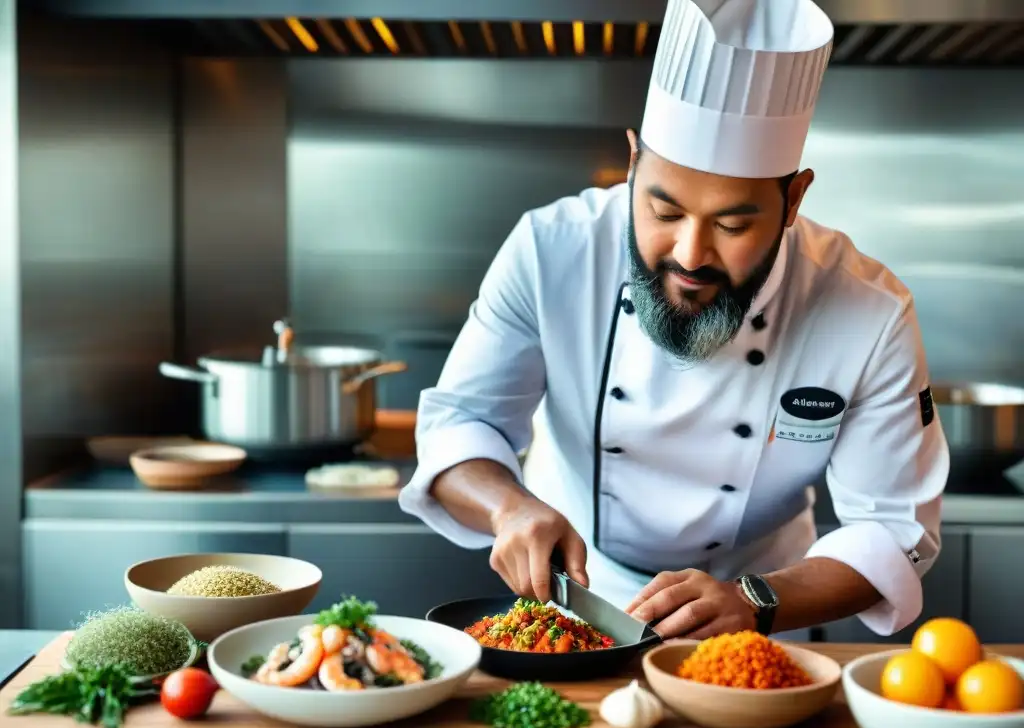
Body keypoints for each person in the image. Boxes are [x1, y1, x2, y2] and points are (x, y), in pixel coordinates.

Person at [397, 0, 949, 642]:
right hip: (579, 609)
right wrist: (510, 508)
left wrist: (757, 601)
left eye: (733, 225)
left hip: (761, 617)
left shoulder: (867, 310)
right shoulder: (553, 250)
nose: (690, 254)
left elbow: (893, 530)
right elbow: (461, 423)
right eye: (663, 211)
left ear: (794, 199)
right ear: (632, 164)